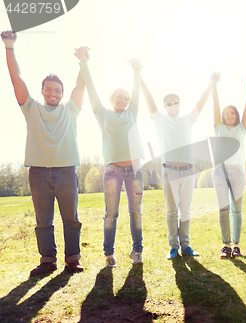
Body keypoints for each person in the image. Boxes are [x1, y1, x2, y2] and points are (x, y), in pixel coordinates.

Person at [1, 31, 85, 276]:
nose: (53, 93)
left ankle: (72, 259)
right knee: (43, 222)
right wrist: (9, 46)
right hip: (38, 173)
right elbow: (15, 77)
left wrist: (82, 61)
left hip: (67, 172)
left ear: (62, 92)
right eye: (49, 89)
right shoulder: (31, 108)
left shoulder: (71, 110)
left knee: (71, 219)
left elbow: (81, 85)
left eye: (58, 90)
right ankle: (48, 260)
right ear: (42, 90)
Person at [76, 47, 144, 267]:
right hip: (113, 171)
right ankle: (109, 254)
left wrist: (136, 71)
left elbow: (136, 92)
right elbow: (92, 90)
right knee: (111, 214)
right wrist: (83, 62)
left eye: (126, 98)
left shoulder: (132, 113)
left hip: (134, 170)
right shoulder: (102, 113)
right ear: (112, 98)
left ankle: (137, 252)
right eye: (119, 97)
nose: (124, 100)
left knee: (135, 212)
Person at [141, 72, 218, 259]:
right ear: (164, 106)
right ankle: (173, 247)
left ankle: (186, 246)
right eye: (168, 103)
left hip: (188, 171)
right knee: (172, 211)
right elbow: (149, 98)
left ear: (179, 104)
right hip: (170, 171)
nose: (172, 105)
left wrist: (211, 83)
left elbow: (201, 102)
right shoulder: (160, 119)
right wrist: (140, 76)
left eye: (175, 102)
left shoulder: (187, 119)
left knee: (186, 211)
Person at [211, 75, 246, 259]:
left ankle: (236, 245)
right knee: (223, 209)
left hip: (237, 172)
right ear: (223, 116)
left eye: (232, 113)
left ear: (236, 116)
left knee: (237, 210)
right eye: (227, 113)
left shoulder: (241, 129)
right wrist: (214, 85)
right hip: (220, 171)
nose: (230, 115)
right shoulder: (218, 128)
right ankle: (226, 246)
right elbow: (215, 105)